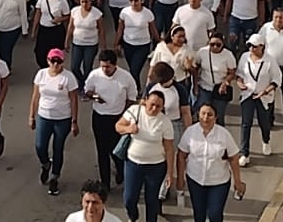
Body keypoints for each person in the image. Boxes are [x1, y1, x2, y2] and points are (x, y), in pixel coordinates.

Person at [175, 104, 246, 222]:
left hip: (219, 182)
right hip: (195, 180)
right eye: (203, 114)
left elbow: (233, 158)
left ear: (215, 117)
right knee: (199, 215)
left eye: (209, 115)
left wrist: (237, 181)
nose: (205, 117)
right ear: (198, 115)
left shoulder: (224, 134)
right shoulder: (190, 132)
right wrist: (180, 179)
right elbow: (181, 155)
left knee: (215, 214)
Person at [116, 90, 176, 222]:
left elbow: (169, 149)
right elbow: (118, 126)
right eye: (152, 104)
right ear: (146, 101)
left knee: (152, 199)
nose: (154, 109)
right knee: (129, 198)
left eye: (158, 106)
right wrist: (128, 129)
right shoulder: (134, 110)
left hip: (155, 166)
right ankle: (133, 216)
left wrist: (170, 173)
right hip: (133, 164)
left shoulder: (165, 122)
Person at [83, 49, 137, 193]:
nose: (105, 69)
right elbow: (87, 90)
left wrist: (125, 115)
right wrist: (94, 96)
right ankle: (105, 183)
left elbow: (132, 98)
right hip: (99, 116)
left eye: (108, 66)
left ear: (115, 65)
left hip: (118, 118)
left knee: (116, 150)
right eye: (103, 66)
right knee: (102, 150)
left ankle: (120, 170)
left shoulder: (125, 77)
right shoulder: (94, 75)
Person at [30, 48, 81, 197]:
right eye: (53, 61)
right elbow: (35, 96)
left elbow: (73, 99)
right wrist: (31, 116)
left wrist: (74, 121)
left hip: (62, 118)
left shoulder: (68, 78)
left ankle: (54, 177)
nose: (55, 64)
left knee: (58, 148)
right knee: (40, 146)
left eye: (58, 61)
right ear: (48, 61)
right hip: (44, 116)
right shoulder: (41, 75)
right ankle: (46, 164)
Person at [234, 37, 282, 163]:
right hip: (248, 95)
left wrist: (266, 91)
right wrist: (240, 83)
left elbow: (277, 79)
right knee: (246, 123)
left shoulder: (270, 60)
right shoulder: (245, 57)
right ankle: (244, 153)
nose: (252, 49)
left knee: (264, 122)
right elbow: (239, 74)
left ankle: (266, 140)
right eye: (250, 46)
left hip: (264, 96)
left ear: (262, 46)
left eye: (255, 46)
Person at [66, 0, 104, 81]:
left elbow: (101, 30)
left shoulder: (97, 13)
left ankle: (86, 84)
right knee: (74, 67)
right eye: (82, 2)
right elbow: (70, 27)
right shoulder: (74, 11)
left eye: (86, 2)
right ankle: (82, 82)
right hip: (77, 43)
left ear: (91, 1)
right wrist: (66, 41)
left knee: (87, 67)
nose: (84, 4)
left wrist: (103, 46)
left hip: (91, 44)